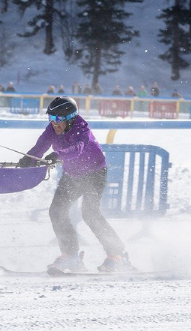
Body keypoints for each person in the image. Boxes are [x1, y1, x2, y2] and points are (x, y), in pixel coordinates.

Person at [17, 96, 135, 273]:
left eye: (58, 119)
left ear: (70, 118)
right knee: (56, 211)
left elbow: (76, 149)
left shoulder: (81, 129)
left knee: (90, 214)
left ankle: (118, 256)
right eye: (50, 118)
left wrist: (57, 155)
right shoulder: (52, 129)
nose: (54, 123)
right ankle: (71, 256)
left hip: (94, 174)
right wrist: (28, 159)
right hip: (72, 175)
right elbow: (40, 146)